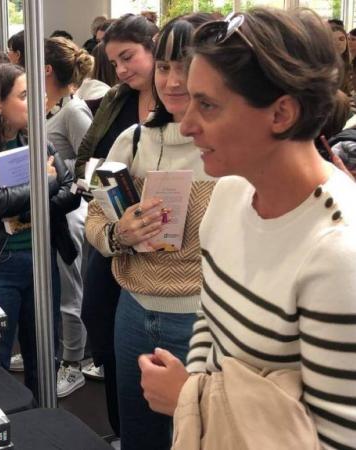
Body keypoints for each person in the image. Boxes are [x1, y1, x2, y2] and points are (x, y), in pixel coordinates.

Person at [139, 9, 356, 450]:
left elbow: (334, 439)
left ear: (280, 114)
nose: (187, 124)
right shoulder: (228, 195)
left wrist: (188, 398)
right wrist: (197, 400)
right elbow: (210, 320)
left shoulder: (337, 255)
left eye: (209, 105)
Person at [86, 14, 215, 449]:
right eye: (164, 67)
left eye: (187, 66)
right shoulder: (134, 141)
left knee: (198, 434)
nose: (174, 81)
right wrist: (120, 234)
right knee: (138, 432)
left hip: (204, 320)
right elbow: (96, 221)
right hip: (134, 311)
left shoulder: (229, 146)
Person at [0, 63, 80, 399]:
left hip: (41, 259)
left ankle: (46, 422)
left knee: (44, 354)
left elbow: (71, 192)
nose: (35, 101)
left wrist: (26, 206)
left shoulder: (37, 139)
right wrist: (44, 182)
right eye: (24, 96)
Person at [75, 13, 158, 436]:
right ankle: (120, 428)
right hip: (109, 225)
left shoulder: (178, 99)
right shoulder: (116, 99)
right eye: (115, 62)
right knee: (100, 319)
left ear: (155, 47)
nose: (122, 70)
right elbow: (88, 152)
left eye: (129, 58)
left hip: (161, 242)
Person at [43, 36, 94, 398]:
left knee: (69, 290)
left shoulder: (73, 111)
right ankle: (54, 352)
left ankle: (72, 362)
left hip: (69, 214)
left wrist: (62, 185)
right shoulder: (48, 108)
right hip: (49, 211)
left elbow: (89, 163)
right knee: (49, 287)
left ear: (45, 69)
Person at [329, 19, 352, 94]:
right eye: (333, 39)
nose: (338, 43)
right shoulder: (323, 67)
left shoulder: (348, 66)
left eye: (341, 39)